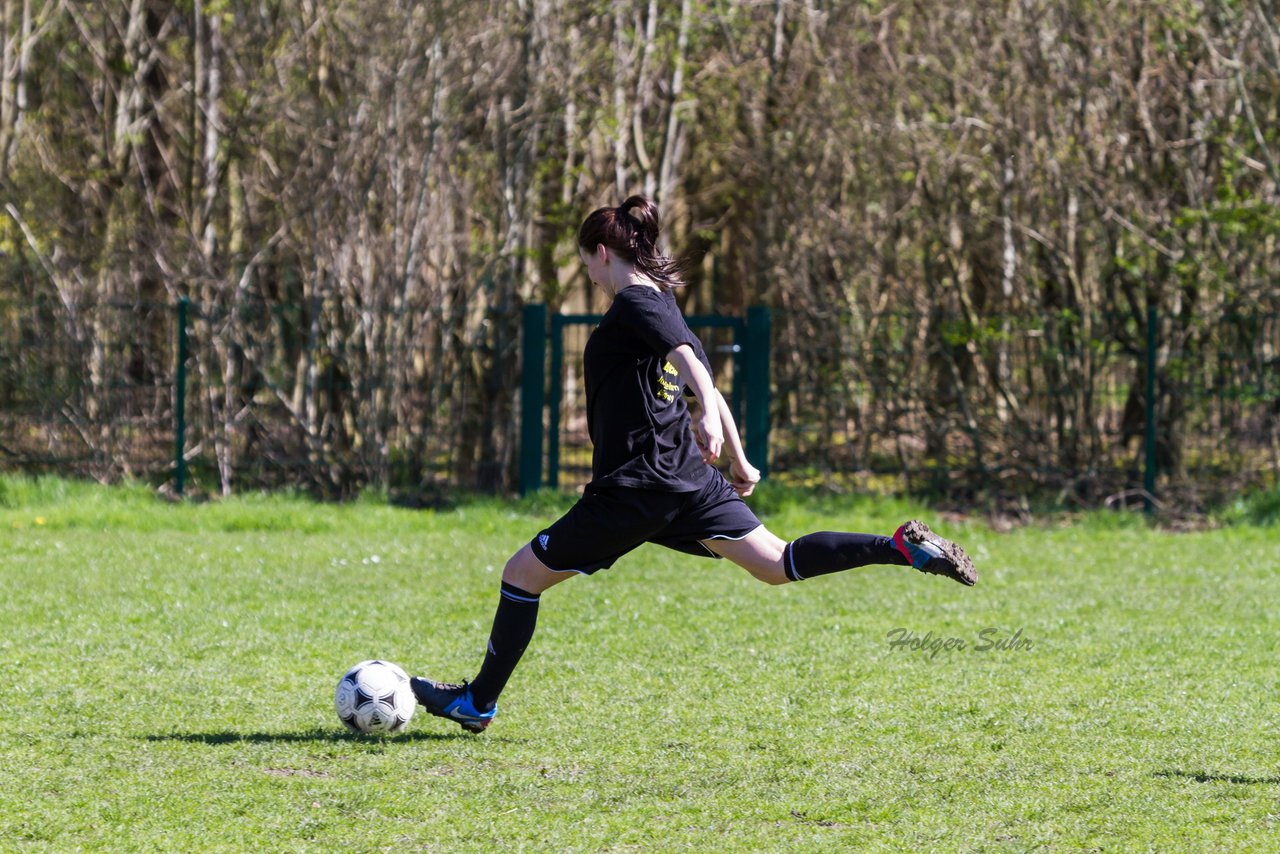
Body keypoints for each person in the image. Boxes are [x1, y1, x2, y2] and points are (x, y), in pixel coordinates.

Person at [411, 195, 976, 733]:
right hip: (688, 482)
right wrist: (739, 454)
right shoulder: (659, 302)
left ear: (601, 253)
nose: (587, 273)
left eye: (586, 261)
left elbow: (691, 366)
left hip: (637, 488)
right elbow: (701, 372)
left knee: (520, 575)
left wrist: (709, 419)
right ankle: (899, 547)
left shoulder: (634, 301)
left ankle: (477, 702)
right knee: (775, 563)